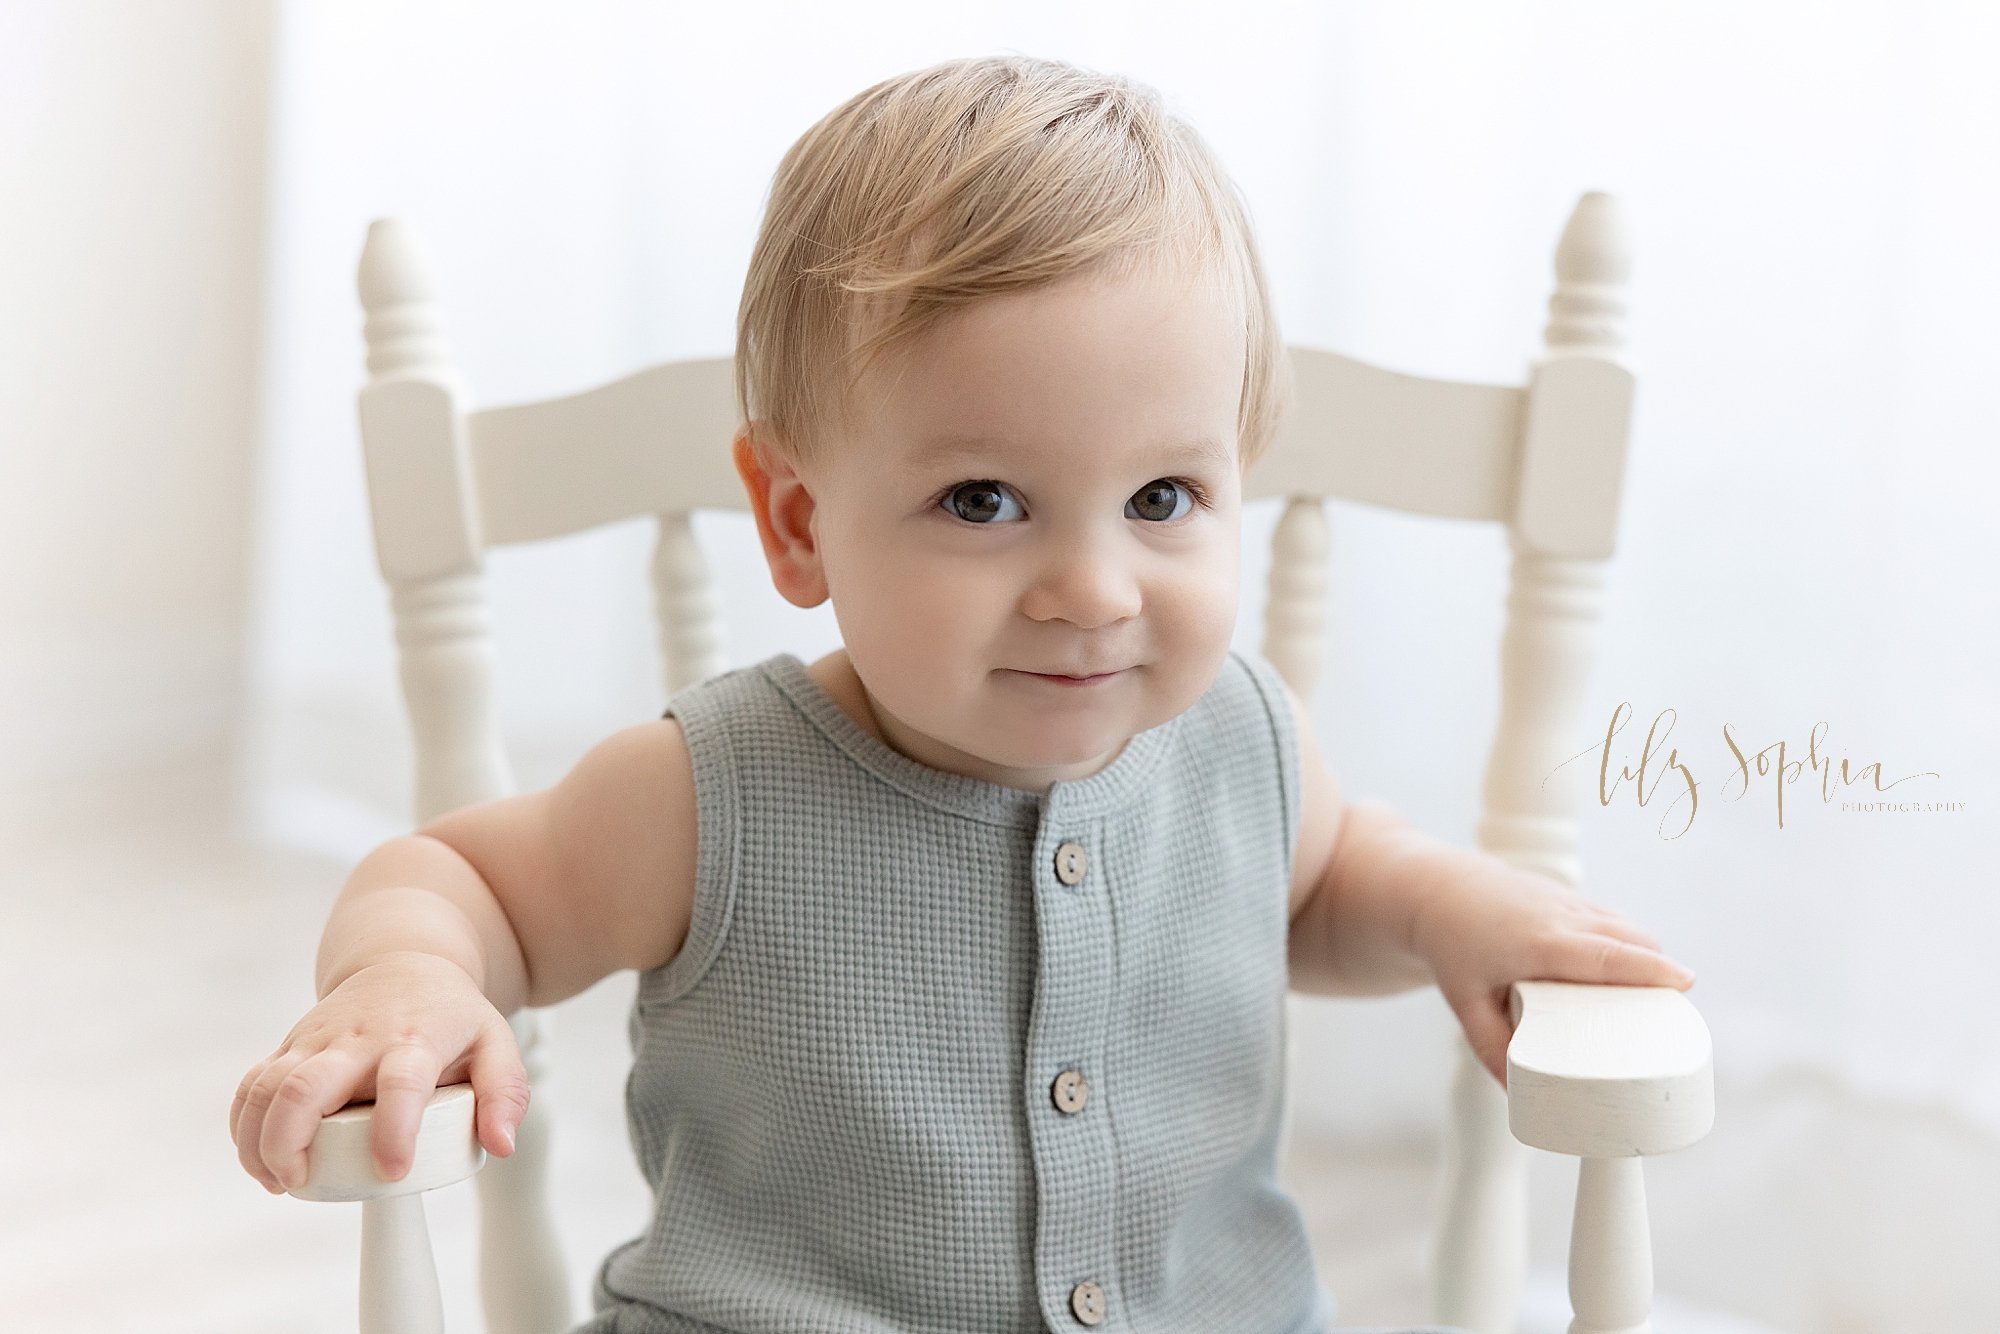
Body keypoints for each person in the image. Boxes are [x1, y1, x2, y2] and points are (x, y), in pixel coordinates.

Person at [230, 54, 1694, 1333]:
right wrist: (408, 970)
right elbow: (456, 875)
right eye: (985, 499)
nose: (1097, 587)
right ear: (801, 524)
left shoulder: (1241, 738)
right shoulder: (708, 793)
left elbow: (1320, 883)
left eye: (1165, 494)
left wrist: (1448, 907)